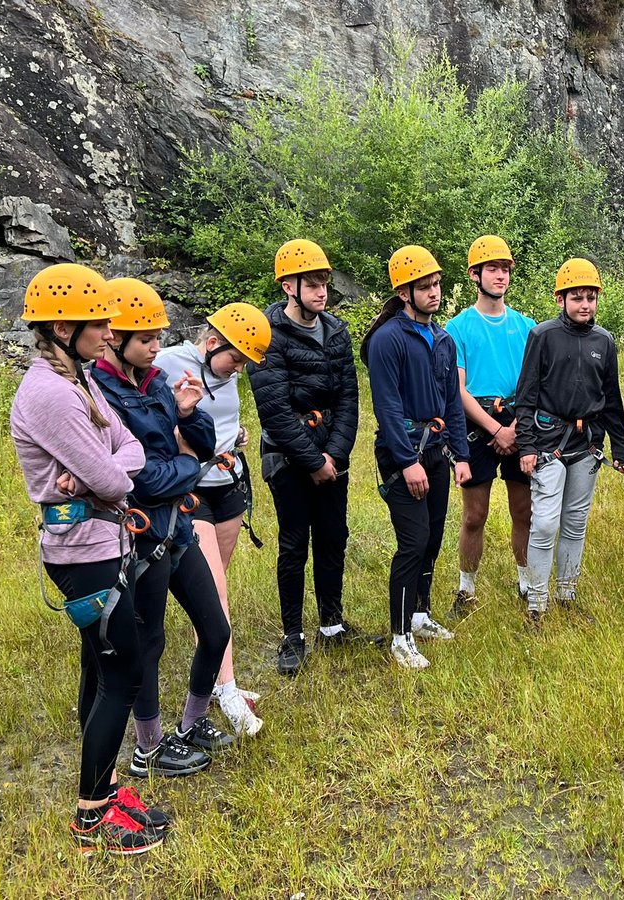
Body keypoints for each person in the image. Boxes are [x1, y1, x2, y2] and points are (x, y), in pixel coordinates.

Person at [11, 263, 168, 855]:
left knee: (100, 670)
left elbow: (124, 450)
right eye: (98, 320)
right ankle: (90, 817)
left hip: (102, 545)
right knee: (122, 671)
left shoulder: (77, 379)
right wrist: (104, 473)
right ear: (61, 325)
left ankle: (99, 791)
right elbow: (115, 473)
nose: (108, 329)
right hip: (83, 555)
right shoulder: (50, 393)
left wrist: (105, 473)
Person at [91, 278, 234, 778]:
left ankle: (191, 724)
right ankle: (148, 748)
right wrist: (189, 469)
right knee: (149, 641)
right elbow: (141, 476)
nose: (157, 347)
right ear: (115, 337)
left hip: (175, 527)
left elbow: (203, 442)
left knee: (216, 630)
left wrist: (189, 415)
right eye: (147, 338)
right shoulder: (100, 392)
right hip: (141, 533)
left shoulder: (153, 382)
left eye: (157, 336)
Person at [250, 239, 379, 678]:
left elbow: (349, 399)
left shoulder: (337, 332)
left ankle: (332, 624)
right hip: (287, 460)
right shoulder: (265, 335)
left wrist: (335, 455)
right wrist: (312, 460)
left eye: (325, 281)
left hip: (331, 455)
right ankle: (293, 635)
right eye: (313, 283)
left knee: (333, 537)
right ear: (289, 286)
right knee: (293, 544)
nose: (323, 291)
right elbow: (274, 410)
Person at [155, 302, 271, 736]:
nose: (238, 369)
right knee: (217, 595)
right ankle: (226, 690)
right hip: (192, 491)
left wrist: (235, 438)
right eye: (234, 358)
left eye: (244, 362)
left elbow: (221, 419)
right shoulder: (169, 363)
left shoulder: (228, 373)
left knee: (216, 585)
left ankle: (214, 675)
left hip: (229, 488)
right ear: (210, 343)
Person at [362, 245, 471, 669]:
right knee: (411, 542)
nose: (434, 291)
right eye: (424, 286)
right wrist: (406, 462)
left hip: (437, 452)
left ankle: (421, 614)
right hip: (402, 453)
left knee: (432, 537)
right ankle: (400, 635)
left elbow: (452, 403)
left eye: (437, 283)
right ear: (404, 292)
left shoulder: (442, 339)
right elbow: (386, 407)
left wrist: (461, 455)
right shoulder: (388, 340)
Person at [514, 258, 624, 620]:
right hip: (549, 440)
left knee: (576, 520)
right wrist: (527, 445)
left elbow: (612, 397)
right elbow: (526, 393)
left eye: (591, 298)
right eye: (577, 297)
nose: (585, 305)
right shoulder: (542, 335)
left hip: (587, 443)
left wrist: (621, 446)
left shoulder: (605, 341)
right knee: (546, 522)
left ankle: (566, 593)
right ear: (560, 299)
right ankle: (537, 602)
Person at [444, 235, 536, 617]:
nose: (501, 276)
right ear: (474, 275)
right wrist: (496, 430)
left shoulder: (526, 326)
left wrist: (514, 426)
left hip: (519, 418)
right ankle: (466, 590)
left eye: (505, 269)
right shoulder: (458, 327)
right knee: (474, 514)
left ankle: (527, 583)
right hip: (476, 423)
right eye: (493, 269)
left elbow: (534, 385)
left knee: (524, 511)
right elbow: (458, 389)